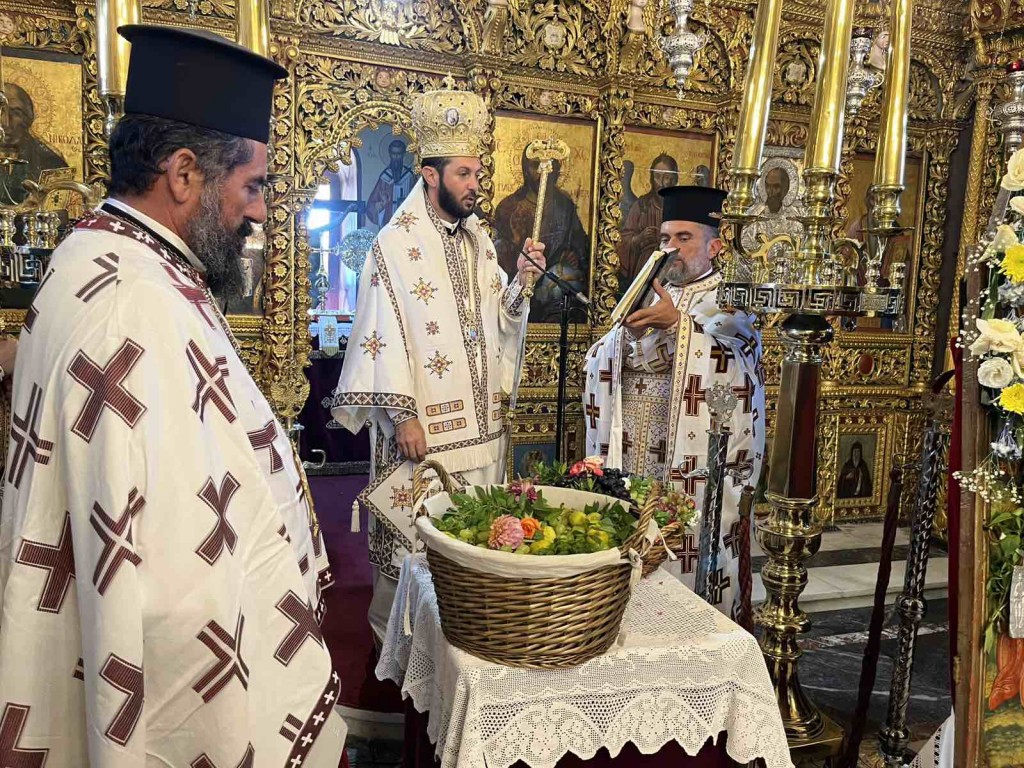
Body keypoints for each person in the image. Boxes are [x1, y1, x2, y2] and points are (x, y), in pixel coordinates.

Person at [0, 25, 346, 766]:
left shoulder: (99, 256)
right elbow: (163, 570)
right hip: (167, 680)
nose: (258, 212)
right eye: (251, 186)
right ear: (184, 173)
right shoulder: (135, 302)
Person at [332, 82, 546, 643]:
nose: (476, 187)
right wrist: (401, 414)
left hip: (479, 428)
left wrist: (521, 282)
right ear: (430, 174)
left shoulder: (479, 241)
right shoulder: (393, 246)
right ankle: (398, 645)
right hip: (423, 429)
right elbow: (380, 331)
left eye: (477, 174)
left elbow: (498, 317)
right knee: (412, 551)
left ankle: (460, 636)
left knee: (471, 539)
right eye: (464, 175)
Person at [584, 186, 765, 617]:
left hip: (689, 462)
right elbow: (598, 357)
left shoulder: (731, 302)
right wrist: (623, 340)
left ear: (715, 246)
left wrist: (681, 327)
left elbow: (740, 370)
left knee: (681, 572)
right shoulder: (648, 294)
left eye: (684, 238)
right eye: (665, 238)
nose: (670, 249)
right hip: (635, 452)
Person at [492, 145, 587, 322]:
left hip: (553, 274)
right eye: (534, 165)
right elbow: (498, 249)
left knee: (566, 281)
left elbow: (578, 239)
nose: (541, 172)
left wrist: (573, 253)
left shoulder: (564, 205)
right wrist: (516, 241)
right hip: (517, 277)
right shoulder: (509, 206)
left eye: (551, 165)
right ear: (524, 169)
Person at [617, 153, 679, 287]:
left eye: (667, 177)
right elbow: (623, 240)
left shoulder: (681, 207)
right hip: (645, 267)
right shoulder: (641, 205)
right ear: (651, 178)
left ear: (674, 179)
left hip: (673, 267)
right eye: (657, 176)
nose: (661, 182)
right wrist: (639, 238)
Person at [364, 138, 415, 229]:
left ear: (403, 154)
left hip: (407, 222)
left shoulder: (410, 176)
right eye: (393, 154)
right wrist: (381, 204)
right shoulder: (384, 178)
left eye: (398, 154)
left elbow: (418, 199)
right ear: (390, 154)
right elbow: (371, 206)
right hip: (388, 221)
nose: (395, 157)